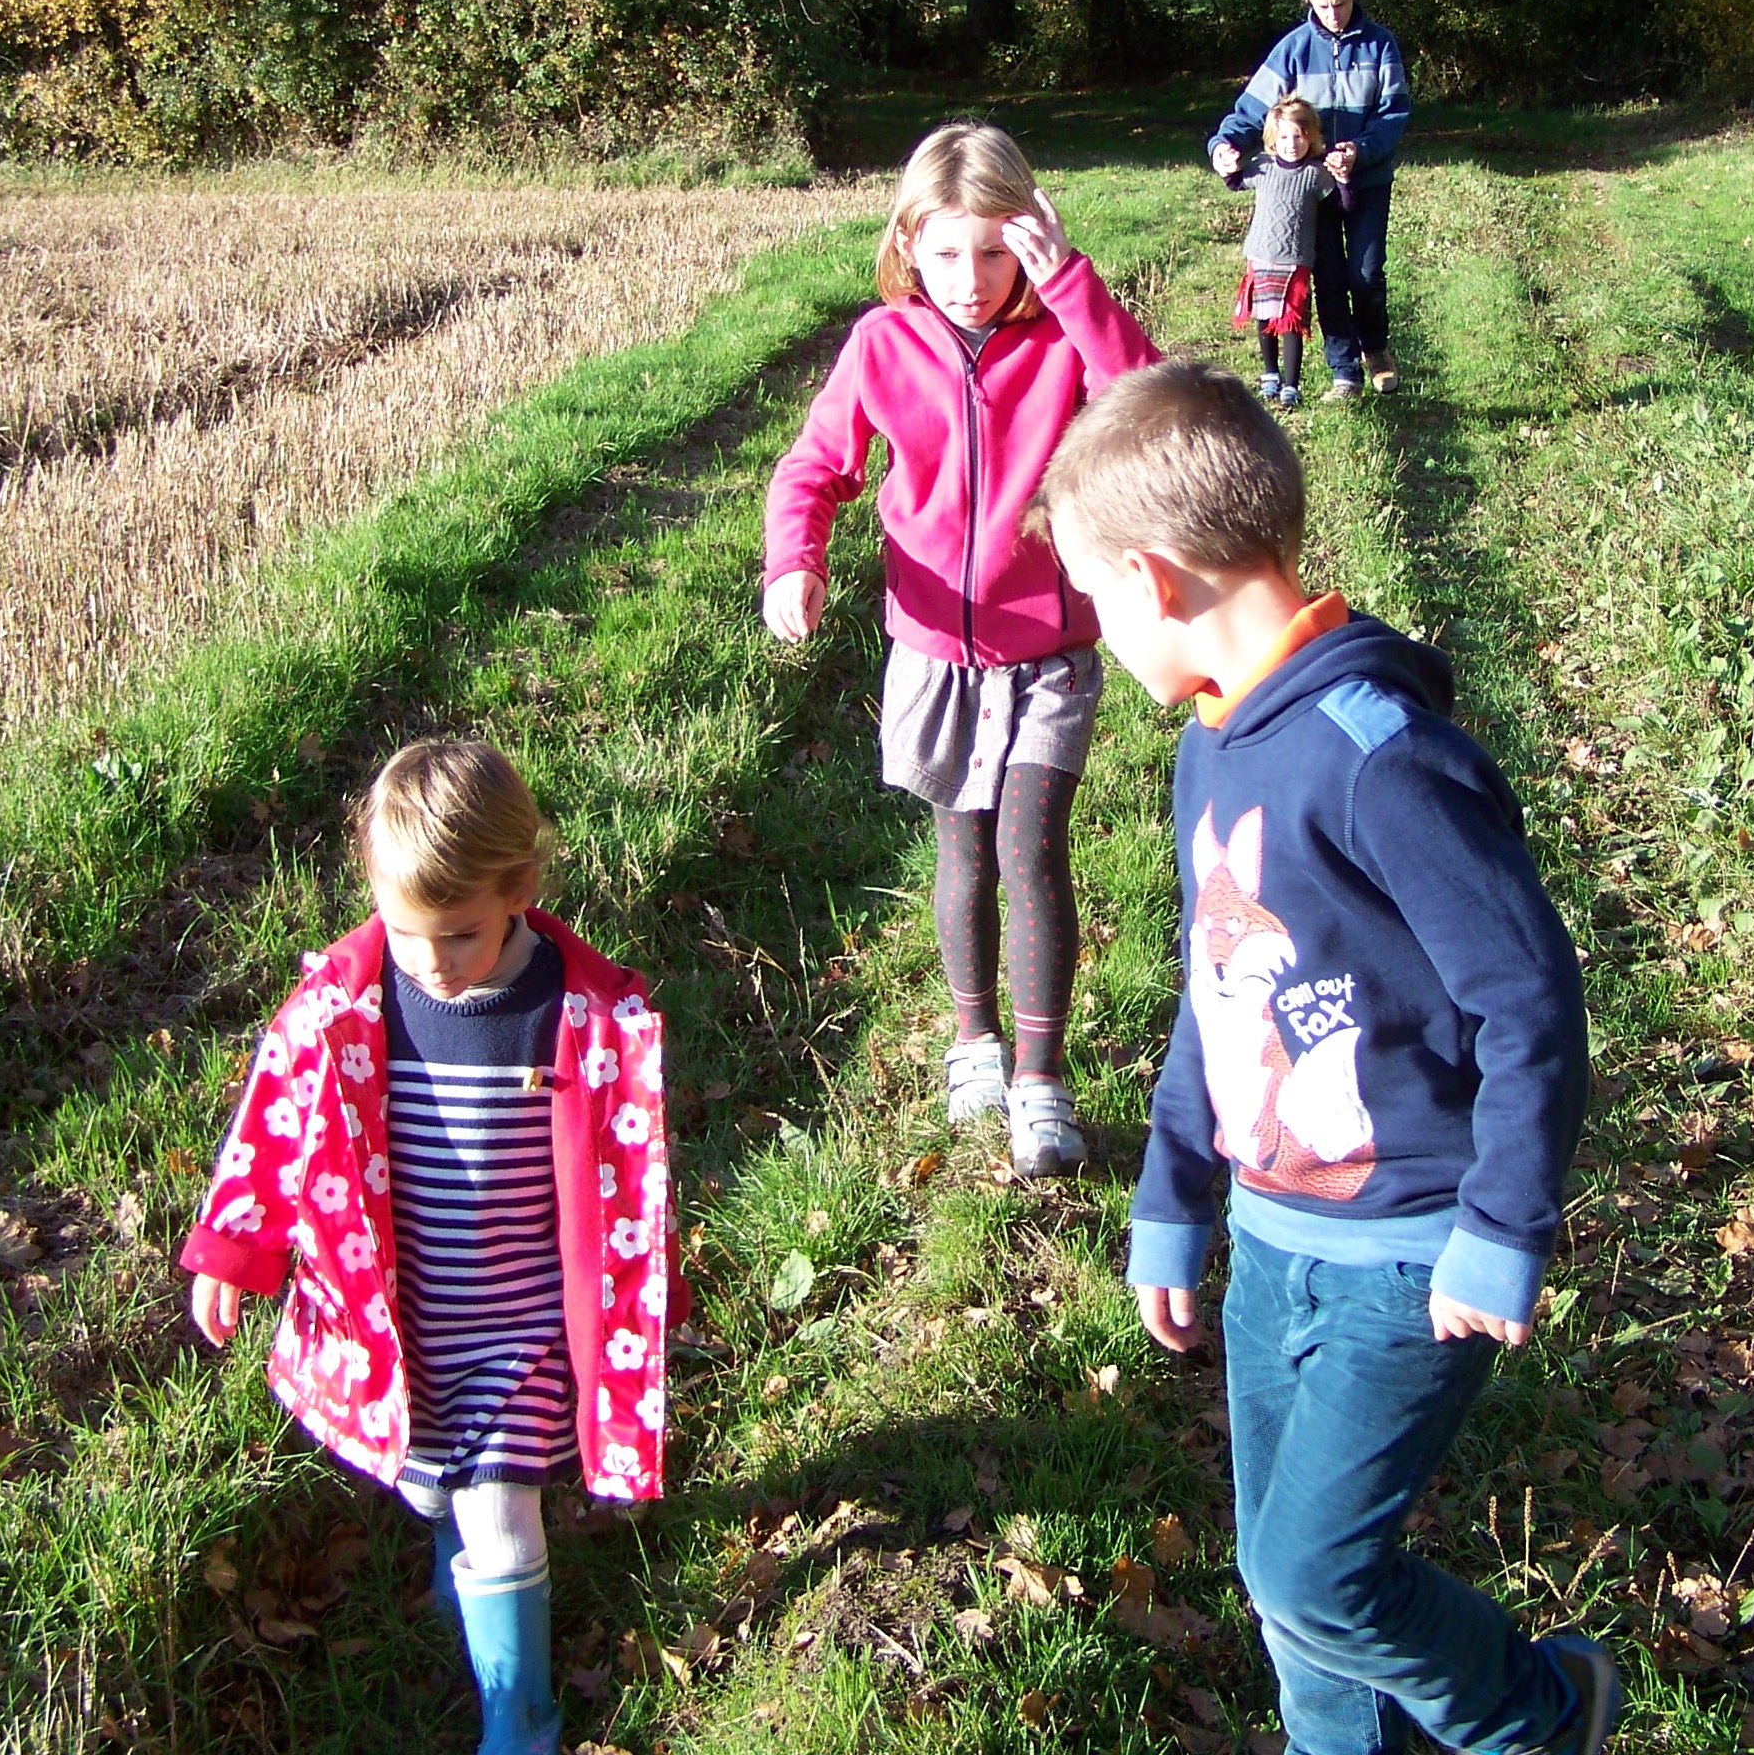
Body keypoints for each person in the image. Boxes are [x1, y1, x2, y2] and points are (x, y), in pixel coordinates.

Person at [1034, 362, 1618, 1755]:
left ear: (1155, 578)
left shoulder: (1380, 757)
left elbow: (1529, 1000)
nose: (1097, 637)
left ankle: (1541, 1714)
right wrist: (1174, 1200)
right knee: (1284, 1586)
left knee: (1317, 1572)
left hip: (1414, 1253)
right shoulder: (1212, 745)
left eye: (1097, 604)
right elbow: (1215, 999)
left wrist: (1503, 1225)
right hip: (1270, 1237)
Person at [179, 739, 672, 1755]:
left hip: (520, 1327)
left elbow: (617, 1169)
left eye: (462, 936)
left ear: (521, 891)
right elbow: (277, 1125)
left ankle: (520, 1720)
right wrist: (234, 1251)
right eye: (409, 936)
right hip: (404, 1329)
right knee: (439, 1487)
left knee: (499, 1509)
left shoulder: (574, 1015)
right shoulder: (350, 1004)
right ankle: (485, 1600)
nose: (434, 965)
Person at [761, 121, 1161, 1177]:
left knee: (1032, 846)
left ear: (1030, 242)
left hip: (1051, 649)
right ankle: (974, 1040)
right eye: (946, 253)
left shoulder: (1063, 335)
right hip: (935, 649)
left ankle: (1040, 1077)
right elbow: (812, 468)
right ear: (908, 243)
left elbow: (1150, 404)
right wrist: (793, 562)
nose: (972, 280)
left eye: (996, 251)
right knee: (965, 847)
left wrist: (1070, 285)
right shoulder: (882, 346)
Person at [1209, 0, 1412, 400]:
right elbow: (1251, 109)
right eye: (1323, 5)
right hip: (1310, 190)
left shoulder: (1380, 44)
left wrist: (1358, 152)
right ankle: (1344, 373)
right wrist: (1223, 144)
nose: (1334, 13)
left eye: (1341, 3)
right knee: (1329, 276)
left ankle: (1375, 348)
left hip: (1367, 180)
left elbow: (1393, 114)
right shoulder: (1292, 50)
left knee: (1366, 272)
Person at [1226, 95, 1351, 408]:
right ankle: (1270, 374)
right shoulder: (1262, 167)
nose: (1291, 144)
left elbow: (1342, 205)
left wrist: (1345, 181)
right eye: (1283, 137)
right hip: (1261, 254)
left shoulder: (1315, 174)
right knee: (1264, 316)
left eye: (1299, 136)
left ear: (1311, 138)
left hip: (1295, 259)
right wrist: (1228, 159)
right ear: (1272, 139)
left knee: (1291, 321)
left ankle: (1291, 385)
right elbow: (1235, 182)